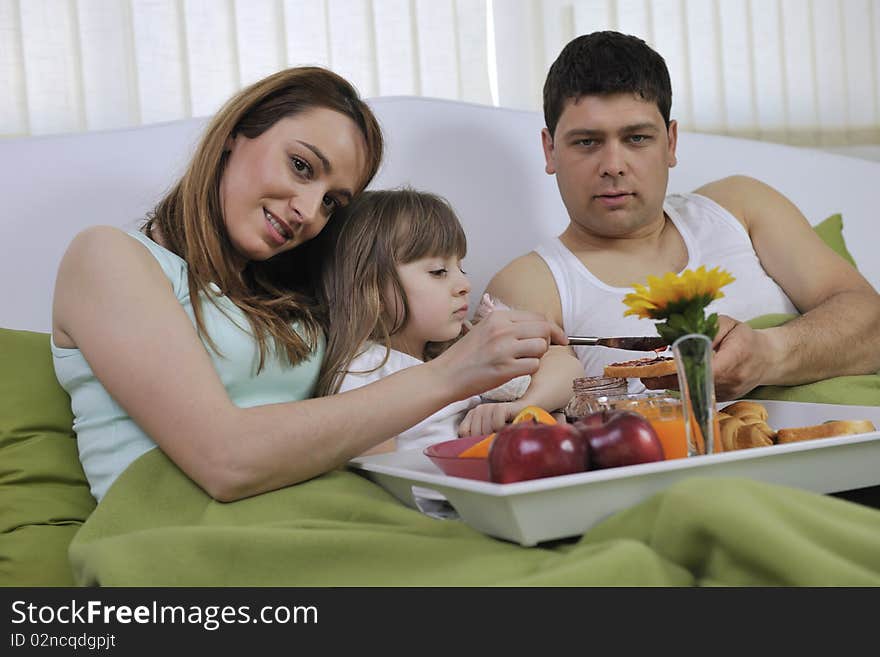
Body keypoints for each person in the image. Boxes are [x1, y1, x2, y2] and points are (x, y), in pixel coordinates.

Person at [50, 67, 564, 503]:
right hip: (184, 537)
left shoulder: (292, 300)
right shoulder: (110, 257)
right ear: (237, 133)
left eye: (331, 203)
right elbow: (225, 460)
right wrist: (452, 374)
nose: (306, 212)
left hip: (322, 515)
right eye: (300, 166)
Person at [486, 31, 880, 401]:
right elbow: (531, 417)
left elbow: (871, 323)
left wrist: (768, 354)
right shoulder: (531, 284)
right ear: (550, 151)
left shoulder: (740, 206)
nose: (613, 165)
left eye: (637, 138)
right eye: (587, 142)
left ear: (671, 142)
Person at [318, 188, 583, 452]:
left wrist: (518, 408)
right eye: (439, 271)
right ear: (371, 287)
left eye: (461, 267)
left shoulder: (456, 350)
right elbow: (379, 473)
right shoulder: (365, 371)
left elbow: (570, 372)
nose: (465, 284)